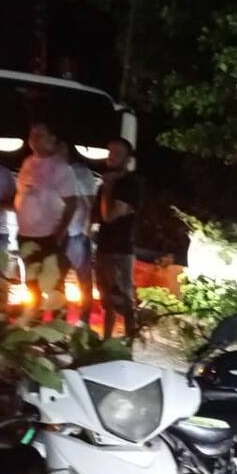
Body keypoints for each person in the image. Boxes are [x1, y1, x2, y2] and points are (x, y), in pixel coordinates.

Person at [14, 122, 76, 294]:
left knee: (53, 283)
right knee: (32, 283)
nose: (34, 138)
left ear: (52, 139)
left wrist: (59, 233)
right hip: (26, 235)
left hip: (49, 236)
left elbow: (72, 203)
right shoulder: (27, 162)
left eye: (40, 134)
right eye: (32, 134)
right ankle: (35, 319)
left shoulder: (61, 168)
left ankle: (57, 320)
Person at [94, 137, 141, 339]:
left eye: (118, 153)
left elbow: (109, 215)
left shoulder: (131, 184)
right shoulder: (106, 183)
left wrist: (108, 188)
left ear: (128, 158)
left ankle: (130, 342)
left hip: (121, 250)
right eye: (110, 152)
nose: (112, 157)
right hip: (103, 247)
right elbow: (95, 216)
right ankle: (106, 341)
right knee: (106, 301)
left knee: (124, 301)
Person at [59, 139, 97, 326]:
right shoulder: (56, 172)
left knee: (83, 280)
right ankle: (59, 323)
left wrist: (88, 231)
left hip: (77, 234)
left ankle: (84, 321)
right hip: (60, 234)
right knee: (56, 279)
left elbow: (91, 204)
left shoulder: (81, 172)